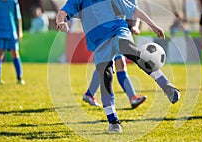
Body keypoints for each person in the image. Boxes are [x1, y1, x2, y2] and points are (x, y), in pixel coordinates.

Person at [56, 0, 180, 132]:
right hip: (99, 44)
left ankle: (166, 86)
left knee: (131, 50)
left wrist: (153, 26)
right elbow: (62, 13)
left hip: (118, 31)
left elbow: (134, 10)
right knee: (105, 76)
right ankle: (113, 121)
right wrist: (60, 22)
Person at [0, 0, 25, 85]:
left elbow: (18, 17)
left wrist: (20, 31)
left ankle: (19, 78)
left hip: (11, 31)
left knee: (15, 53)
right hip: (0, 31)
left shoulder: (13, 2)